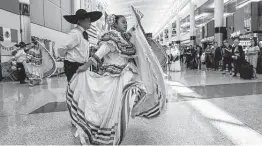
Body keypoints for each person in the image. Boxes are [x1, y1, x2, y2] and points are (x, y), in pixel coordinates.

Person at [65, 11, 167, 145]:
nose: (125, 24)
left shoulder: (123, 37)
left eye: (126, 22)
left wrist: (138, 23)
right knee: (109, 107)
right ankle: (106, 127)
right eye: (123, 22)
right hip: (112, 77)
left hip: (124, 74)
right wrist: (87, 65)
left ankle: (126, 113)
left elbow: (132, 33)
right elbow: (101, 53)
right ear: (115, 24)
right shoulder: (111, 37)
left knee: (132, 92)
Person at [58, 9, 102, 82]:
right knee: (75, 89)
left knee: (80, 89)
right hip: (73, 66)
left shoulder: (82, 33)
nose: (90, 22)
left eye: (90, 19)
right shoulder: (75, 33)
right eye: (87, 19)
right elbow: (61, 48)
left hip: (81, 65)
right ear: (80, 21)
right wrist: (69, 58)